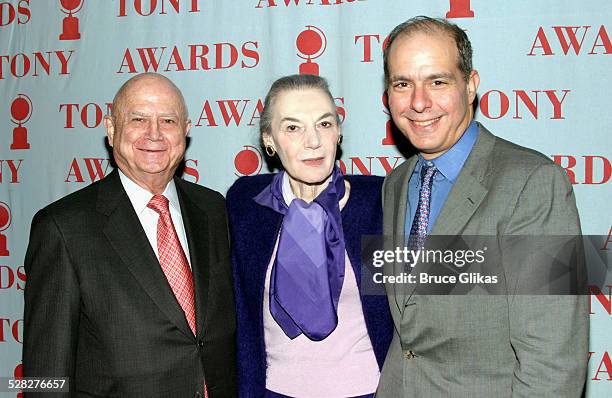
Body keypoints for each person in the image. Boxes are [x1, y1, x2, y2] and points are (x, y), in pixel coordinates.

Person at [377, 16, 588, 397]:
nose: (419, 102)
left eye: (437, 82)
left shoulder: (535, 183)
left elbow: (553, 360)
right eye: (402, 84)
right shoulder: (396, 183)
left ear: (471, 86)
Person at [23, 72, 236, 397]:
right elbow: (45, 375)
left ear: (186, 131)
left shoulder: (213, 208)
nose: (154, 134)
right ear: (111, 129)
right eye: (138, 119)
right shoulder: (62, 227)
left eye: (168, 120)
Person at [226, 74, 393, 398]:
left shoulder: (380, 202)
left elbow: (452, 282)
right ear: (269, 140)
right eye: (292, 127)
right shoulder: (246, 205)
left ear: (338, 131)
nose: (313, 140)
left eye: (324, 124)